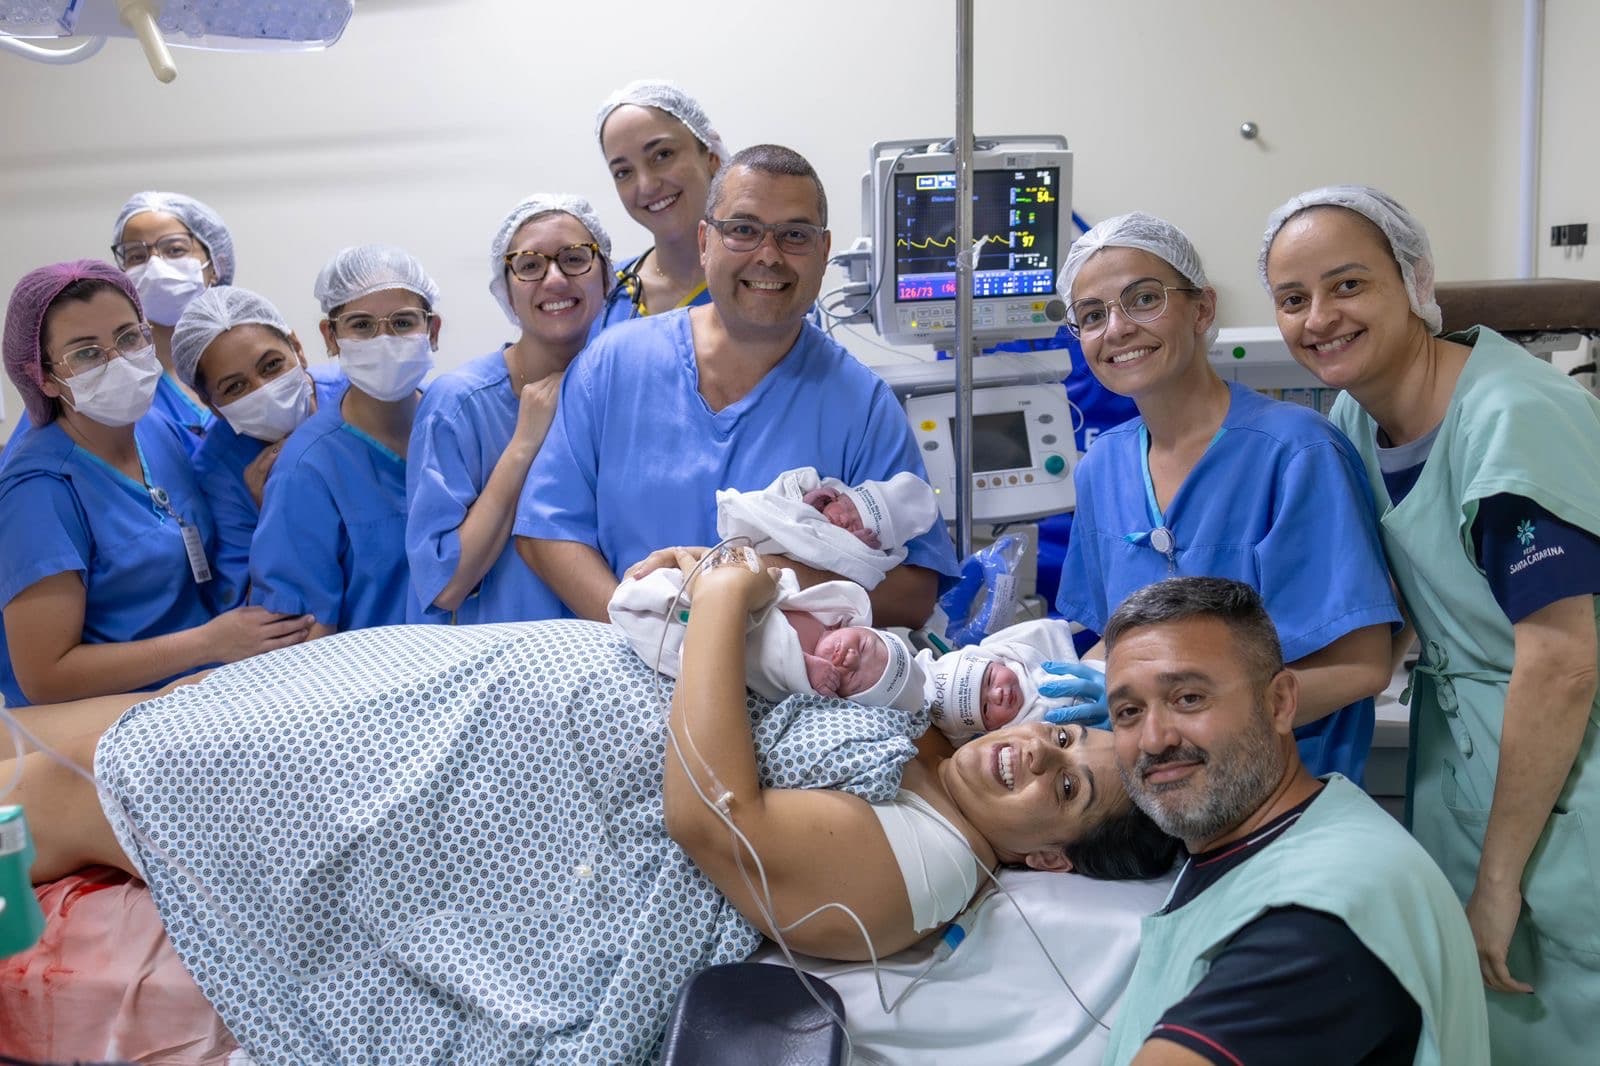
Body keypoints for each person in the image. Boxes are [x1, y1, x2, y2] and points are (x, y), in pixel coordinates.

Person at [3, 565, 1177, 1059]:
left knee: (100, 784)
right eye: (1064, 734)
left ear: (1050, 861)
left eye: (1066, 785)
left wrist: (717, 608)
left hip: (466, 786)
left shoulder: (920, 870)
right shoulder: (938, 749)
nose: (1036, 752)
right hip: (475, 705)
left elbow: (710, 815)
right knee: (127, 735)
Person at [1260, 184, 1600, 1061]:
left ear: (1414, 282)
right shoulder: (1354, 417)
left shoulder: (1512, 418)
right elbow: (1413, 592)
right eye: (1293, 299)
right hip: (1467, 764)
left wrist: (1498, 881)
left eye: (1348, 285)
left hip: (1568, 773)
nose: (1319, 318)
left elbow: (1563, 661)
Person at [516, 144, 959, 628]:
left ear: (824, 252)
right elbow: (546, 532)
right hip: (622, 654)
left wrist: (756, 574)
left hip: (786, 671)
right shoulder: (613, 365)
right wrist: (647, 636)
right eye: (743, 230)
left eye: (795, 235)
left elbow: (915, 592)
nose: (768, 255)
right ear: (705, 241)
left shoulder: (862, 405)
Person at [1048, 212, 1399, 782]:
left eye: (1143, 299)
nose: (1117, 329)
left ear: (1203, 309)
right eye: (1092, 315)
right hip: (1162, 795)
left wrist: (1172, 716)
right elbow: (1115, 644)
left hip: (1288, 792)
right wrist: (1061, 684)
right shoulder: (1102, 468)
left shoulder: (1296, 452)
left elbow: (1362, 667)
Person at [1099, 577, 1488, 1066]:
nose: (1154, 739)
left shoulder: (1321, 919)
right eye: (1128, 712)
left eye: (1189, 698)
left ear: (1280, 703)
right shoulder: (1258, 835)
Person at [0, 261, 311, 707]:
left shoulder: (153, 427)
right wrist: (206, 643)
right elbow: (45, 676)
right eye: (86, 353)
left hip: (206, 681)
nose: (118, 361)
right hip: (113, 714)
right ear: (44, 377)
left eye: (129, 337)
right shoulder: (38, 491)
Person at [405, 195, 610, 624]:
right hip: (503, 657)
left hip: (611, 654)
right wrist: (523, 446)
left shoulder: (626, 391)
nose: (555, 279)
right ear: (507, 292)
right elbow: (444, 586)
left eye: (575, 258)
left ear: (607, 277)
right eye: (530, 265)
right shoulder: (458, 406)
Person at [249, 245, 440, 636]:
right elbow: (303, 638)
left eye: (403, 322)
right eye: (362, 325)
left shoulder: (456, 425)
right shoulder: (306, 469)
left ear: (432, 330)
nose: (384, 340)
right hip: (369, 673)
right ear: (331, 336)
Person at [171, 286, 347, 610]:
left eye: (271, 365)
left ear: (297, 348)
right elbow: (254, 612)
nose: (264, 390)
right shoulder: (219, 475)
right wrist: (277, 514)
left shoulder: (357, 398)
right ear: (212, 406)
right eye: (235, 387)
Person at [608, 548, 926, 707]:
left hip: (709, 625)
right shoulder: (823, 612)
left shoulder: (810, 676)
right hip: (715, 587)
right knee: (664, 585)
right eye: (865, 646)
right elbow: (781, 587)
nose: (851, 658)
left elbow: (764, 661)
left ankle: (646, 602)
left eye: (855, 679)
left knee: (674, 615)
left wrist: (805, 668)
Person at [591, 79, 726, 334]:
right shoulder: (602, 294)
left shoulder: (765, 282)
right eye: (623, 172)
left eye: (662, 155)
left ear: (712, 157)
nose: (647, 186)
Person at [110, 191, 238, 450]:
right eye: (136, 256)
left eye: (175, 250)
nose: (155, 265)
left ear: (215, 265)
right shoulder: (112, 382)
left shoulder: (252, 360)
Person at [714, 467, 940, 588]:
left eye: (856, 525)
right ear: (835, 497)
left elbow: (836, 558)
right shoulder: (808, 501)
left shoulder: (857, 551)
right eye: (846, 507)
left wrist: (854, 548)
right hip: (741, 554)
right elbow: (768, 508)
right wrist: (802, 504)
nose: (844, 520)